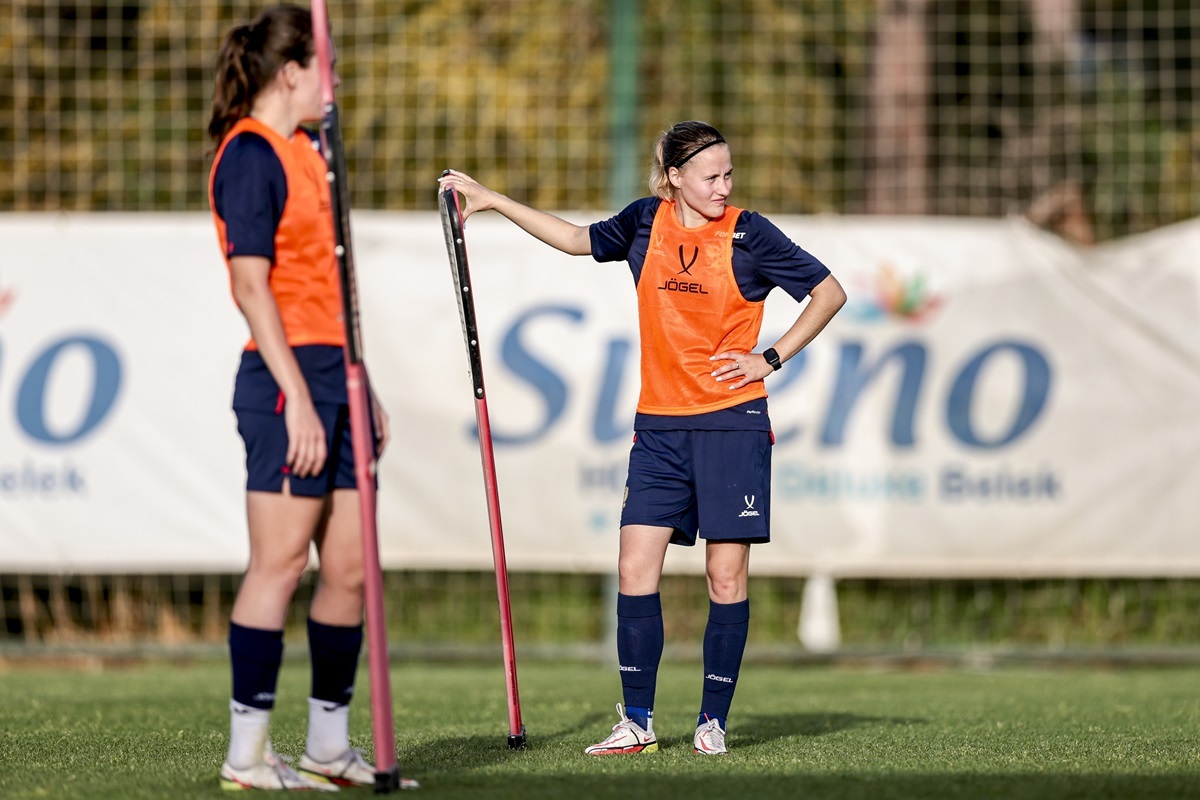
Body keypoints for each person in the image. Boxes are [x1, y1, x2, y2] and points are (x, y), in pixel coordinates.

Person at [439, 120, 846, 756]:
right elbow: (575, 240)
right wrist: (493, 200)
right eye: (710, 176)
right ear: (674, 177)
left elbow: (829, 292)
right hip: (658, 427)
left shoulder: (748, 231)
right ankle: (637, 721)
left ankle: (712, 720)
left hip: (731, 425)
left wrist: (770, 358)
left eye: (728, 174)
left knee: (725, 576)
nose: (723, 186)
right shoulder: (641, 222)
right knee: (634, 567)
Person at [207, 6, 414, 791]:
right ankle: (248, 754)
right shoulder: (251, 155)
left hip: (339, 378)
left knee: (352, 570)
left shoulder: (312, 153)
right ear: (290, 72)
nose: (335, 86)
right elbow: (250, 285)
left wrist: (366, 386)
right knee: (282, 561)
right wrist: (296, 396)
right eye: (325, 69)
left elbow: (334, 286)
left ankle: (329, 747)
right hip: (281, 379)